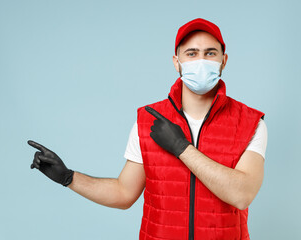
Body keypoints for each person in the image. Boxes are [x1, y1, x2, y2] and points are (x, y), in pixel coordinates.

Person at [28, 18, 267, 240]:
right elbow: (124, 193)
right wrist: (68, 177)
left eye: (210, 53)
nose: (201, 61)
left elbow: (242, 194)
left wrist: (181, 147)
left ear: (223, 61)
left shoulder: (250, 122)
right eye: (191, 53)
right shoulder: (149, 120)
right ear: (177, 62)